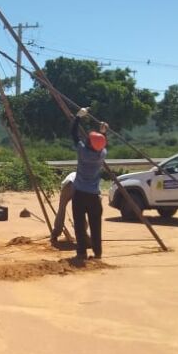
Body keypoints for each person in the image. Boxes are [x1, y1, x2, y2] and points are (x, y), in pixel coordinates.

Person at [70, 108, 109, 263]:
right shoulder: (102, 154)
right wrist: (103, 131)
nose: (86, 139)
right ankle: (98, 253)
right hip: (94, 196)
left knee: (79, 226)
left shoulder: (82, 151)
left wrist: (78, 117)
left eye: (88, 139)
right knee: (96, 225)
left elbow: (74, 134)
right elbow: (102, 143)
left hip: (80, 194)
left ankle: (81, 253)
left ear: (89, 143)